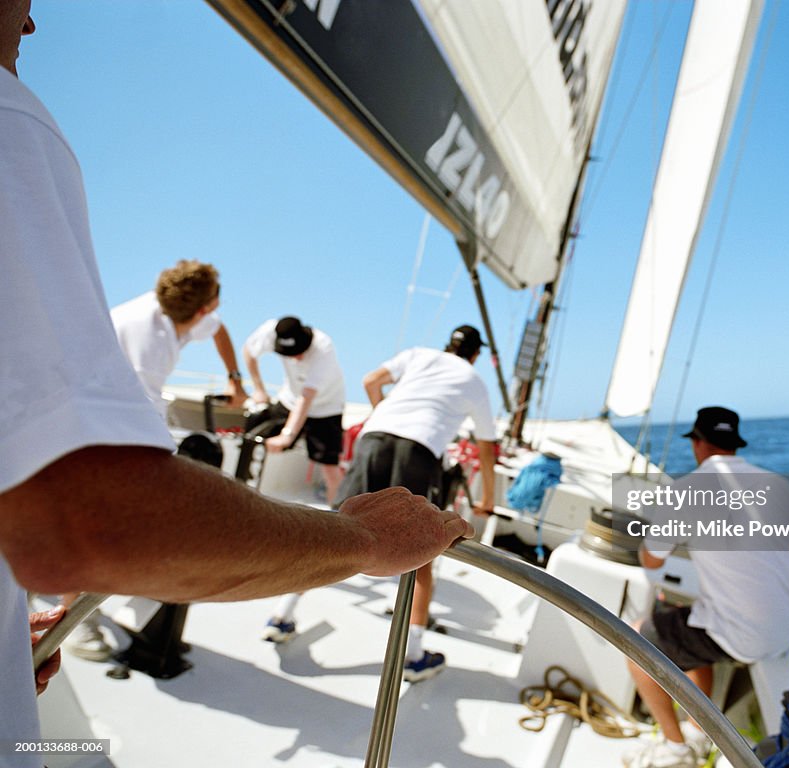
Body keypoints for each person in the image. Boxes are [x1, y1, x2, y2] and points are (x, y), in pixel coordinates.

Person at [0, 7, 473, 762]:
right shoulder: (11, 121)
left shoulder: (255, 338)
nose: (32, 22)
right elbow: (89, 519)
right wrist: (360, 539)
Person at [263, 325, 497, 684]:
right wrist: (487, 500)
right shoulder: (474, 380)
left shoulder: (419, 355)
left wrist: (384, 415)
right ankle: (413, 654)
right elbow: (485, 446)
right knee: (423, 548)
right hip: (419, 450)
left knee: (339, 528)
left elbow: (371, 381)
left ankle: (282, 614)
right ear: (475, 354)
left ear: (447, 344)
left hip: (375, 437)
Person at [63, 260, 250, 661]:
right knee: (95, 529)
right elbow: (140, 408)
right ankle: (66, 620)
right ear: (203, 307)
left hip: (103, 414)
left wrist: (235, 377)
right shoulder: (149, 338)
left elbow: (219, 332)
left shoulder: (179, 314)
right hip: (87, 423)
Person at [623, 407, 789, 768]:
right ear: (733, 445)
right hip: (788, 632)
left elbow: (651, 561)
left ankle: (677, 749)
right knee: (692, 625)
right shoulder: (778, 485)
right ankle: (697, 729)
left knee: (637, 640)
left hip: (745, 638)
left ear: (698, 444)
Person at [111, 260, 248, 417]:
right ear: (204, 310)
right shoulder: (151, 344)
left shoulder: (172, 304)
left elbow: (218, 330)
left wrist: (234, 380)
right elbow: (147, 412)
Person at [243, 316, 347, 505]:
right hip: (290, 399)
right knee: (253, 437)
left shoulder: (323, 348)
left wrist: (288, 435)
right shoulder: (269, 331)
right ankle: (244, 497)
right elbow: (249, 352)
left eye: (299, 353)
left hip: (326, 408)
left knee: (330, 468)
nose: (296, 358)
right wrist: (259, 389)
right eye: (290, 354)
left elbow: (307, 397)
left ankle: (340, 515)